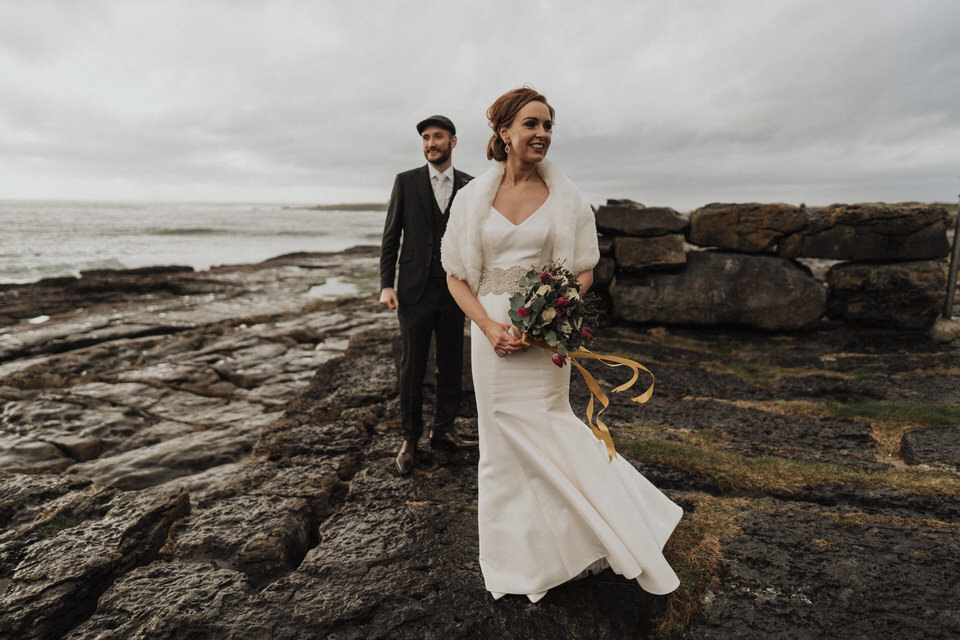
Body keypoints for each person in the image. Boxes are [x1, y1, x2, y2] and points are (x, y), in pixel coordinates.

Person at [441, 88, 682, 602]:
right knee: (501, 449)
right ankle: (520, 562)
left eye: (548, 126)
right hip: (490, 336)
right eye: (532, 124)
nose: (542, 134)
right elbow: (456, 277)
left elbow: (584, 271)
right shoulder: (470, 199)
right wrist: (487, 326)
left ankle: (616, 528)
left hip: (543, 334)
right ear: (504, 132)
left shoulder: (567, 198)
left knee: (554, 427)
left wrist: (545, 316)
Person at [380, 115, 477, 476]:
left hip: (455, 289)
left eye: (438, 137)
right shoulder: (405, 182)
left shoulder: (470, 185)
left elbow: (476, 238)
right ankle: (410, 437)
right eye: (425, 138)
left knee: (451, 361)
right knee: (412, 366)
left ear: (453, 141)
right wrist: (386, 285)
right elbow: (391, 237)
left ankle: (444, 430)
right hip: (412, 292)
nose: (430, 143)